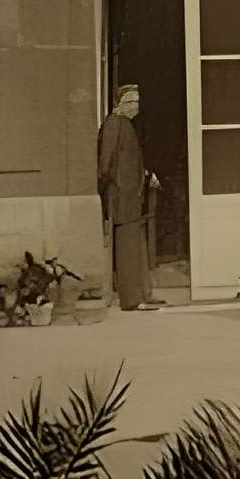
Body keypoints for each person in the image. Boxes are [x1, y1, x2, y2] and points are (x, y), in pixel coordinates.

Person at [98, 83, 163, 311]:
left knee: (135, 247)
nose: (137, 106)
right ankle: (131, 299)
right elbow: (106, 165)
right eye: (133, 102)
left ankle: (142, 293)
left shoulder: (125, 125)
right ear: (123, 103)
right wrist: (112, 190)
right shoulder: (114, 125)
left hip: (131, 196)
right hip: (122, 197)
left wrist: (144, 177)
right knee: (126, 249)